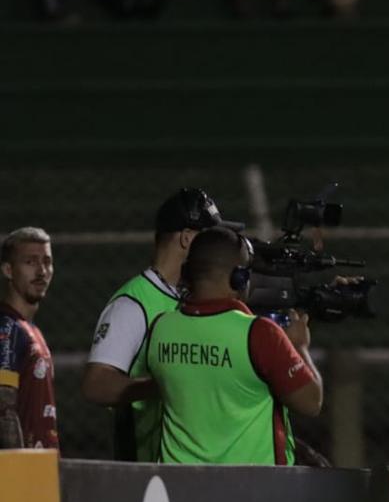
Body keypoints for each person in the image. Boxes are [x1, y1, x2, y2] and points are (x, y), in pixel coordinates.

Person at [83, 188, 242, 462]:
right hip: (148, 474)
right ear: (187, 239)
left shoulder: (189, 298)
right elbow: (96, 385)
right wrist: (167, 382)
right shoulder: (133, 305)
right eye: (209, 238)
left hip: (191, 464)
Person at [145, 226, 322, 464]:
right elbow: (311, 402)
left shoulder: (160, 327)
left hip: (181, 488)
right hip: (253, 490)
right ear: (240, 278)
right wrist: (300, 346)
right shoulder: (260, 334)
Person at [0, 227, 58, 450]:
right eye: (30, 262)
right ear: (8, 270)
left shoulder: (29, 329)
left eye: (47, 261)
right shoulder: (7, 328)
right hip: (21, 475)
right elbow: (4, 410)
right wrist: (20, 473)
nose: (42, 271)